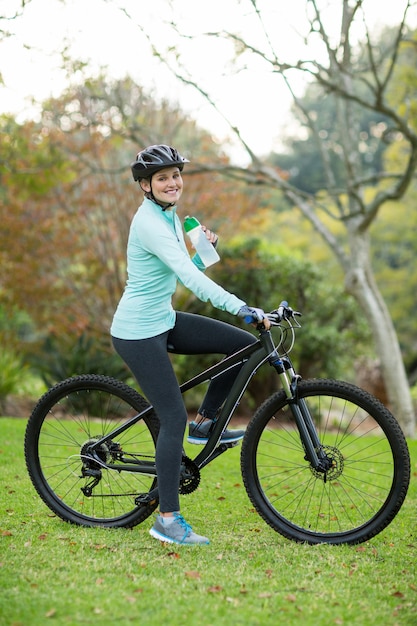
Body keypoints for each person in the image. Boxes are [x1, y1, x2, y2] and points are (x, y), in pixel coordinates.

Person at [111, 144, 270, 545]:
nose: (172, 183)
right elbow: (188, 278)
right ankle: (167, 520)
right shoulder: (148, 222)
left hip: (162, 320)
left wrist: (199, 252)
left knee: (242, 346)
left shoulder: (169, 216)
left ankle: (206, 425)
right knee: (171, 418)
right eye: (162, 178)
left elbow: (179, 269)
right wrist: (242, 306)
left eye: (176, 176)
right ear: (145, 185)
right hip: (137, 331)